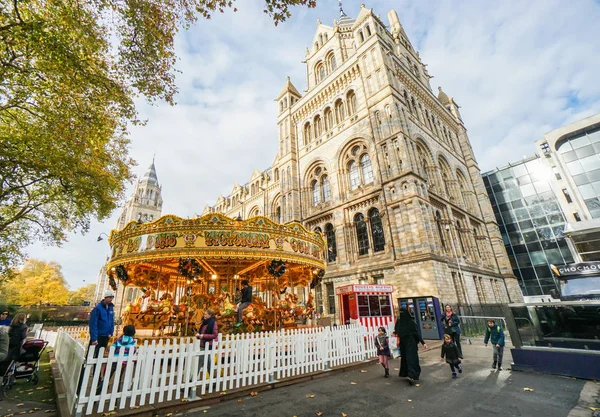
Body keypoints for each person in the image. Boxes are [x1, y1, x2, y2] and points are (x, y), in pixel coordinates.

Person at [96, 325, 137, 394]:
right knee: (118, 379)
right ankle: (115, 398)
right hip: (123, 363)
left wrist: (113, 352)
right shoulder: (132, 342)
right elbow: (133, 350)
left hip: (113, 361)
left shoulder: (119, 340)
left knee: (107, 378)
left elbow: (111, 347)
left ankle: (98, 392)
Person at [394, 308, 428, 385]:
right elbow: (397, 332)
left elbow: (416, 333)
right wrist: (397, 340)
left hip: (410, 342)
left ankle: (412, 375)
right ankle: (407, 373)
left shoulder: (410, 322)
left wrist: (423, 343)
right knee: (406, 358)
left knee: (411, 358)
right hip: (404, 343)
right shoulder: (400, 322)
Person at [89, 290, 116, 357]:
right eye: (109, 297)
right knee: (91, 354)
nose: (111, 299)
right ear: (105, 298)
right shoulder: (98, 308)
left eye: (112, 298)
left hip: (106, 336)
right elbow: (93, 324)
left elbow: (111, 321)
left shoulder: (110, 308)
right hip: (98, 335)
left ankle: (96, 367)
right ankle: (85, 367)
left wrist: (111, 332)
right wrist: (94, 338)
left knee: (100, 355)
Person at [196, 309, 218, 376]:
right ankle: (213, 379)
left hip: (208, 344)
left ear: (210, 315)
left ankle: (191, 380)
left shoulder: (213, 323)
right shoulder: (204, 322)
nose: (204, 315)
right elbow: (202, 332)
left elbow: (214, 334)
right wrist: (199, 335)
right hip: (203, 343)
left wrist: (203, 336)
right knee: (208, 362)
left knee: (200, 362)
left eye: (205, 314)